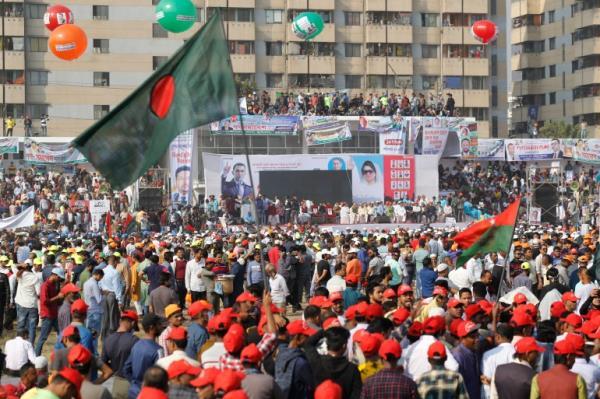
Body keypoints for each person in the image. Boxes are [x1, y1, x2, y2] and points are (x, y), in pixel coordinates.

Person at [123, 313, 164, 399]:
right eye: (159, 324)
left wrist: (135, 384)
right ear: (152, 327)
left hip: (133, 392)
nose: (162, 326)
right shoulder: (158, 350)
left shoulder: (137, 345)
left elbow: (126, 369)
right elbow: (160, 378)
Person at [102, 310, 139, 399]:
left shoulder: (107, 340)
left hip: (115, 383)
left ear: (120, 321)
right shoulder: (134, 340)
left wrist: (114, 368)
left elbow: (102, 362)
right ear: (133, 323)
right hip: (131, 384)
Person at [36, 267, 65, 356]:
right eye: (59, 277)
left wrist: (61, 297)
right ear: (54, 275)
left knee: (62, 334)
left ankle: (64, 354)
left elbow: (57, 301)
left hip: (54, 314)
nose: (59, 279)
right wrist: (58, 297)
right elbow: (45, 301)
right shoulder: (45, 285)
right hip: (47, 315)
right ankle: (36, 357)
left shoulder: (54, 285)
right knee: (42, 338)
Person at [452, 320, 481, 399]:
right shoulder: (458, 356)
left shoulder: (474, 351)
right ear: (462, 339)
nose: (477, 339)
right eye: (473, 337)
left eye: (477, 335)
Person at [15, 260, 40, 345]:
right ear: (31, 267)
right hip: (32, 305)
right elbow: (38, 292)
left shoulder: (20, 275)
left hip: (21, 304)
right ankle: (30, 345)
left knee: (20, 325)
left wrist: (22, 265)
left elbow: (14, 266)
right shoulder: (35, 277)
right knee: (32, 327)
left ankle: (19, 344)